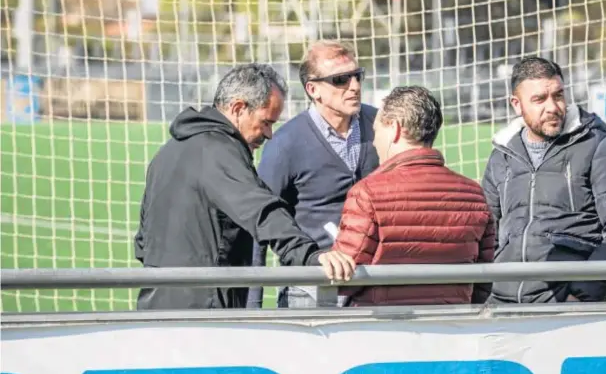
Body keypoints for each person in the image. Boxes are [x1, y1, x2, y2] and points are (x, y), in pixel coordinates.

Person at [133, 63, 355, 310]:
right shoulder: (218, 151)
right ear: (238, 108)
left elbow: (143, 243)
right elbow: (261, 210)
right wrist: (310, 255)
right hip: (201, 314)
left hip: (154, 307)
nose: (269, 134)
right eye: (266, 122)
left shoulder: (167, 152)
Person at [482, 57, 606, 304]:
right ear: (516, 104)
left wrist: (581, 296)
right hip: (502, 303)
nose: (553, 107)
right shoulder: (500, 156)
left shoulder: (598, 147)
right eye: (539, 99)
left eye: (558, 95)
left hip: (567, 305)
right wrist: (486, 295)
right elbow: (485, 236)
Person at [332, 86, 496, 306]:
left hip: (381, 328)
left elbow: (343, 276)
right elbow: (484, 279)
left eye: (376, 130)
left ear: (394, 128)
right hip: (451, 326)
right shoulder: (474, 195)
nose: (373, 141)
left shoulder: (367, 193)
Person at [247, 40, 379, 309]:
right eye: (340, 79)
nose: (354, 86)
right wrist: (252, 306)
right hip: (308, 291)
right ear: (313, 89)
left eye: (357, 76)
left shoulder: (381, 125)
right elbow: (259, 225)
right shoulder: (284, 143)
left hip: (374, 288)